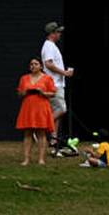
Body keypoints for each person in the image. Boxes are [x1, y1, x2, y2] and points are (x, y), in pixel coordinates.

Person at [40, 22, 74, 152]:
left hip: (57, 82)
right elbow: (48, 64)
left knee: (57, 113)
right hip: (54, 83)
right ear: (52, 33)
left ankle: (54, 141)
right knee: (62, 109)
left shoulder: (51, 46)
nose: (60, 34)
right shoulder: (49, 46)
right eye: (58, 32)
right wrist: (64, 72)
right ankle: (41, 127)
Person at [16, 57, 56, 166]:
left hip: (41, 107)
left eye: (36, 64)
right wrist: (25, 92)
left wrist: (43, 93)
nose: (33, 66)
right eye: (31, 64)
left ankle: (41, 159)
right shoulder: (24, 78)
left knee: (41, 133)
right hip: (28, 107)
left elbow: (53, 93)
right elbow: (19, 94)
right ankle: (26, 159)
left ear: (41, 66)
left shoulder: (47, 78)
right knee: (27, 133)